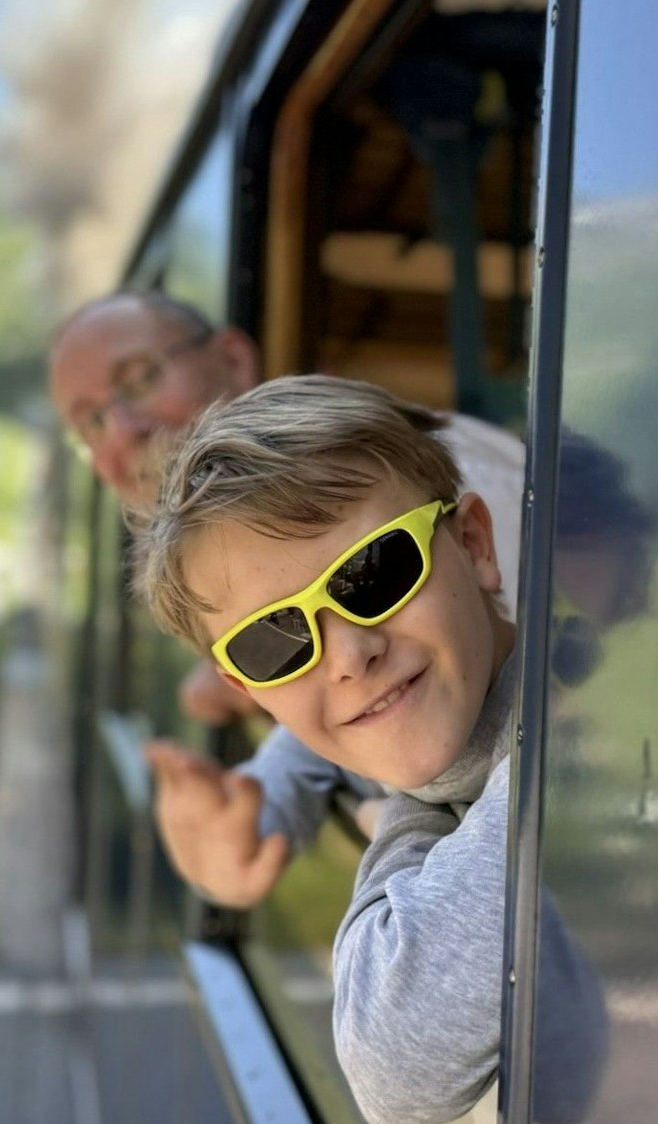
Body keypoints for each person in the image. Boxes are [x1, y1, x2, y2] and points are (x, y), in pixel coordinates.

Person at [131, 376, 606, 1123]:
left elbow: (395, 1068)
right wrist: (274, 792)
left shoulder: (590, 716)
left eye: (375, 573)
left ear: (474, 545)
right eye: (277, 642)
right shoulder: (425, 729)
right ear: (248, 686)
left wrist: (396, 817)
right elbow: (395, 1068)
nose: (348, 655)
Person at [48, 291, 524, 906]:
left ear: (234, 357)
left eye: (140, 380)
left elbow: (476, 671)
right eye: (91, 423)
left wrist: (402, 830)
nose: (126, 431)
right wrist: (267, 799)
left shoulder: (434, 475)